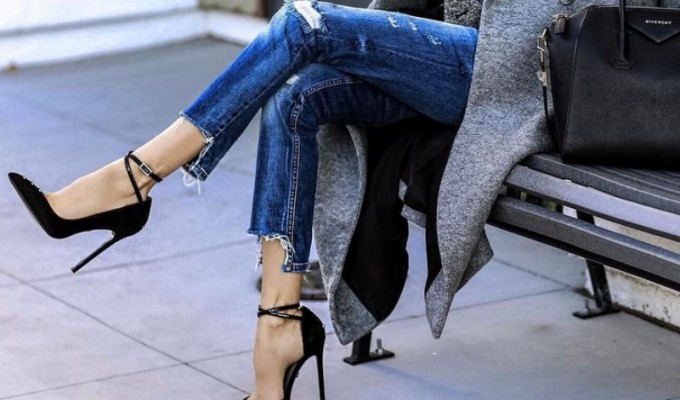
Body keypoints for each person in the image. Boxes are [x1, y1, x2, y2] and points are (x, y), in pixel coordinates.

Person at [7, 1, 479, 399]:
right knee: (293, 96)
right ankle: (279, 326)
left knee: (304, 20)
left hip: (496, 65)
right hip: (435, 51)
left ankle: (133, 178)